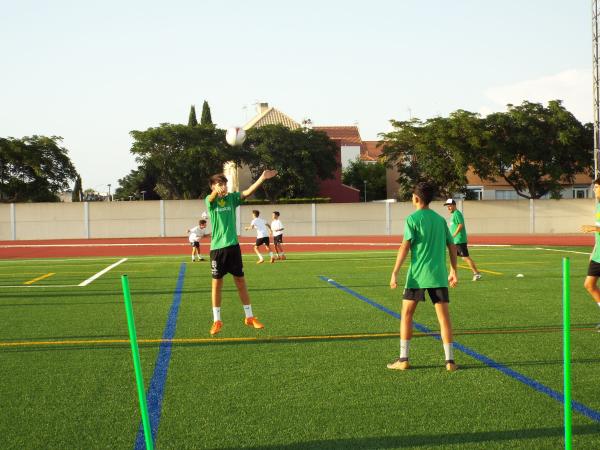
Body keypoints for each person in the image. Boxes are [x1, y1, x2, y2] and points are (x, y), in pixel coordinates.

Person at [388, 182, 459, 372]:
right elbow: (452, 246)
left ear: (417, 198)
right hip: (438, 276)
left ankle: (403, 359)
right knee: (444, 319)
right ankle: (450, 361)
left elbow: (404, 247)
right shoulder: (440, 220)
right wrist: (454, 270)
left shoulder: (412, 219)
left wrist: (395, 272)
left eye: (412, 196)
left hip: (417, 277)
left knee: (406, 315)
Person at [205, 169, 277, 336]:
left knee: (240, 281)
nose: (223, 187)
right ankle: (217, 320)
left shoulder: (232, 199)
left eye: (224, 184)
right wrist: (216, 192)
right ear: (213, 187)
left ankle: (250, 317)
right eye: (219, 184)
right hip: (217, 249)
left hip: (233, 247)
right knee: (217, 284)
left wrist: (262, 178)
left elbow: (247, 192)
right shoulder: (210, 201)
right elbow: (210, 199)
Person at [444, 198, 482, 281]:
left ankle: (477, 273)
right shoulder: (453, 214)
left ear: (454, 205)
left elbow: (461, 225)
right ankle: (451, 274)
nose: (448, 208)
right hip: (455, 241)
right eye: (447, 206)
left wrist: (453, 235)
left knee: (465, 257)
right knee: (453, 257)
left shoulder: (457, 214)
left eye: (449, 206)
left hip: (459, 240)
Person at [580, 177, 600, 332]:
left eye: (597, 187)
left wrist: (594, 229)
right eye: (594, 187)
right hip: (598, 255)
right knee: (589, 285)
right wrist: (593, 251)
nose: (595, 189)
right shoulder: (598, 206)